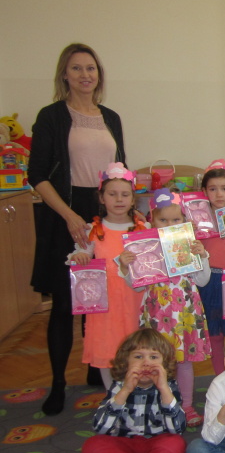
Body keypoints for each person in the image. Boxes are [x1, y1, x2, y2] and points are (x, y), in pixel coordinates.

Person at [28, 43, 126, 416]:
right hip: (63, 214)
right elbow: (37, 174)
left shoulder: (111, 117)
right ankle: (57, 383)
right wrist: (70, 216)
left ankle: (94, 366)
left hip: (103, 215)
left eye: (91, 68)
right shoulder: (52, 116)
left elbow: (120, 171)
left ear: (98, 75)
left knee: (100, 296)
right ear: (65, 75)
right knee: (65, 301)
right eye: (77, 68)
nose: (85, 75)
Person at [122, 188, 211, 427]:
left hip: (184, 314)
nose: (170, 225)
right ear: (152, 220)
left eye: (176, 220)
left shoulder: (191, 245)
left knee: (184, 361)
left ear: (185, 220)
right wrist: (126, 268)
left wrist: (203, 256)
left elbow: (203, 280)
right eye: (163, 220)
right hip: (156, 314)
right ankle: (159, 403)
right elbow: (137, 286)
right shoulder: (145, 248)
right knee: (155, 361)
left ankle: (187, 405)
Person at [72, 329, 187, 453]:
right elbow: (100, 427)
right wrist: (125, 391)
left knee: (176, 445)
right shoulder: (119, 386)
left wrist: (164, 389)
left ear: (164, 364)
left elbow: (177, 429)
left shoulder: (168, 386)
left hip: (156, 444)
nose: (146, 363)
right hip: (124, 444)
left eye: (154, 357)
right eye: (138, 356)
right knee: (92, 448)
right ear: (126, 361)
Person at [68, 163, 147, 390]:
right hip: (106, 305)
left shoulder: (143, 229)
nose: (119, 199)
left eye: (125, 194)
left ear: (133, 199)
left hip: (134, 300)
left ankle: (137, 394)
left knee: (138, 349)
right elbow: (81, 254)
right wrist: (79, 257)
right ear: (102, 198)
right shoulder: (93, 230)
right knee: (107, 349)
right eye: (112, 194)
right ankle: (113, 397)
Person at [197, 160, 225, 375]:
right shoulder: (197, 219)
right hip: (210, 281)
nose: (219, 194)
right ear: (204, 191)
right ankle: (219, 378)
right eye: (212, 189)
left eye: (224, 189)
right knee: (214, 334)